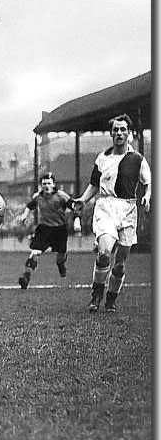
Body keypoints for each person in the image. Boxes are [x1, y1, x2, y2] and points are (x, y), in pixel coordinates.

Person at [73, 114, 151, 313]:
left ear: (129, 133)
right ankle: (96, 294)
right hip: (106, 207)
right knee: (104, 253)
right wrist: (83, 199)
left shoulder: (138, 159)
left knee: (120, 265)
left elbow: (148, 182)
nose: (119, 133)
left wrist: (147, 196)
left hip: (128, 210)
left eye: (123, 129)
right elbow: (94, 184)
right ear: (110, 133)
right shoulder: (102, 158)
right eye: (115, 129)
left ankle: (111, 299)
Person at [17, 172, 74, 289]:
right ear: (40, 185)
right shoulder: (38, 197)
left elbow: (74, 206)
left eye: (49, 183)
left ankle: (61, 264)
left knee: (60, 255)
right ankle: (26, 276)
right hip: (44, 229)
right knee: (34, 252)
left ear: (53, 184)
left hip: (60, 230)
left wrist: (77, 220)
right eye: (44, 184)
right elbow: (30, 206)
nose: (46, 186)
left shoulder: (61, 196)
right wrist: (24, 215)